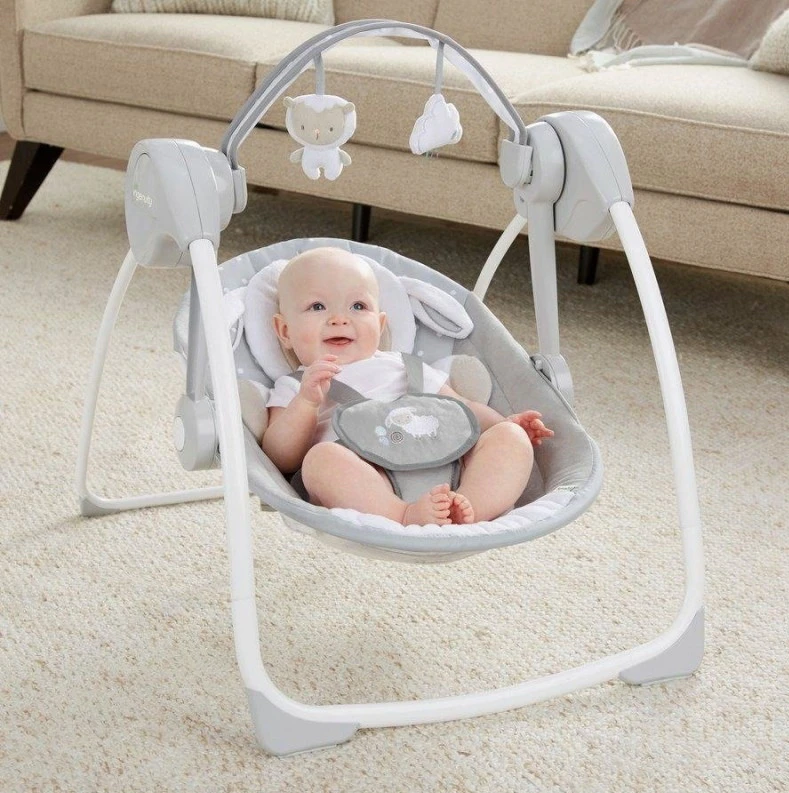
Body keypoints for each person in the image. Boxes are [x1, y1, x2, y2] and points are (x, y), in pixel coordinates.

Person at [261, 247, 553, 526]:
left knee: (510, 438)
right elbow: (280, 458)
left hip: (450, 464)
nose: (340, 319)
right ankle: (403, 515)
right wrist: (306, 403)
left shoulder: (403, 365)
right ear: (285, 331)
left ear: (380, 324)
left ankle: (468, 508)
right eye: (317, 306)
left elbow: (462, 409)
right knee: (320, 460)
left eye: (358, 306)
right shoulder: (297, 385)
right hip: (372, 484)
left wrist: (504, 424)